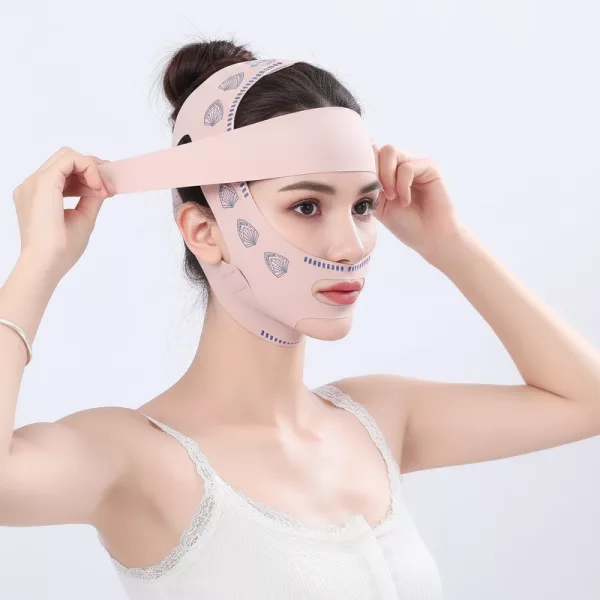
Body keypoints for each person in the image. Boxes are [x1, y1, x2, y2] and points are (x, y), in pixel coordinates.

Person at [1, 38, 599, 600]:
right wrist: (39, 263)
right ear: (205, 232)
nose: (350, 245)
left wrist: (450, 243)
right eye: (307, 206)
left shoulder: (377, 420)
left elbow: (586, 401)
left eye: (363, 205)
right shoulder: (137, 458)